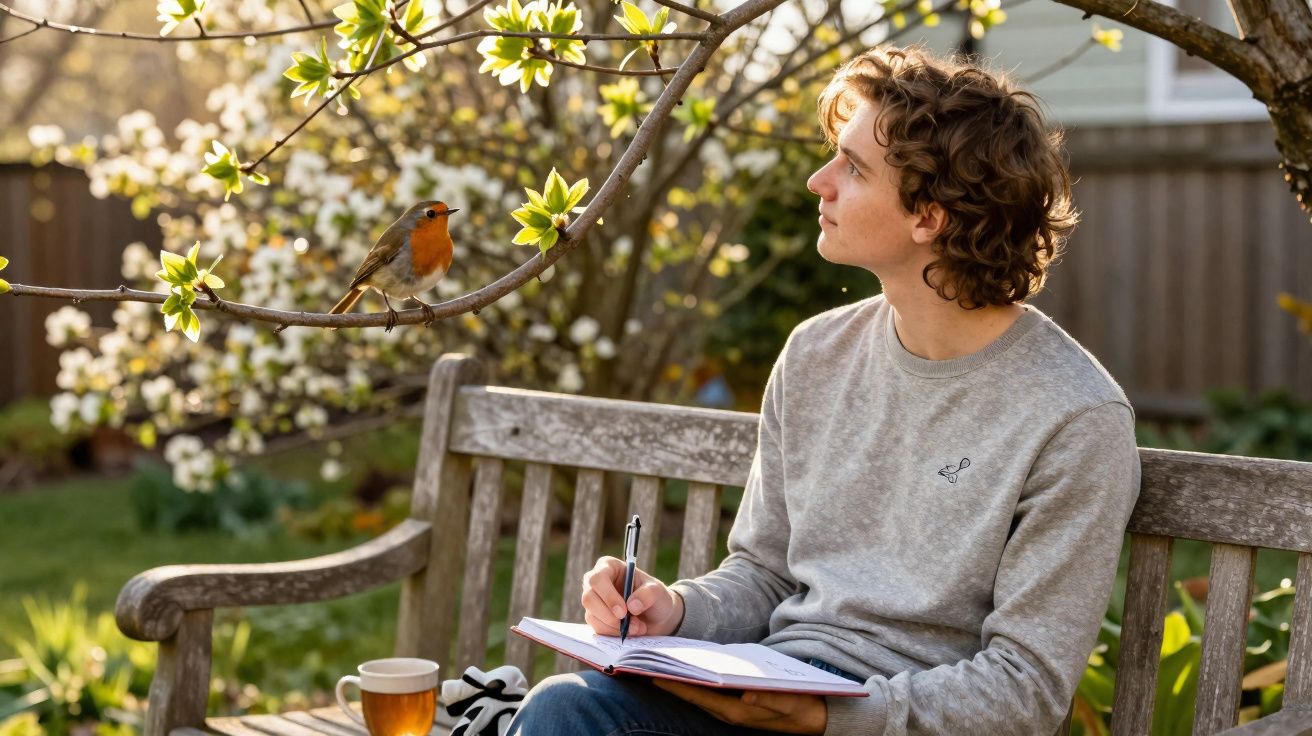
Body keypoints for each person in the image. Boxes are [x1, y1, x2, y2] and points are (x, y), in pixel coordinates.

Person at [508, 43, 1141, 736]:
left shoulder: (1073, 415)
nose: (819, 180)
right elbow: (765, 572)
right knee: (564, 710)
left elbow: (1026, 690)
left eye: (853, 167)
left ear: (928, 216)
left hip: (892, 721)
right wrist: (676, 610)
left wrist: (833, 717)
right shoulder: (816, 353)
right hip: (770, 693)